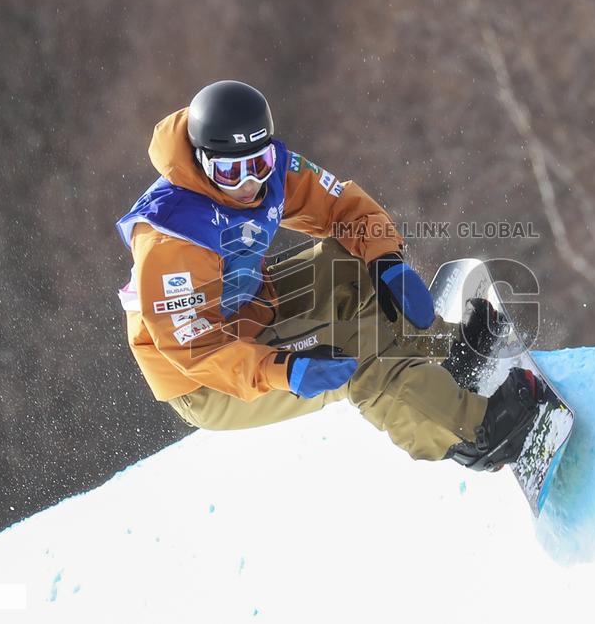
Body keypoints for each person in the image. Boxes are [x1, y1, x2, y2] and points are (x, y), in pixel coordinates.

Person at [116, 80, 541, 471]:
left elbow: (342, 208)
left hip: (250, 307)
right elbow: (198, 352)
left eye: (259, 163)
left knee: (351, 265)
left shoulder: (275, 172)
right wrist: (284, 369)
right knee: (354, 345)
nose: (248, 183)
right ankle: (473, 433)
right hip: (210, 379)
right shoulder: (172, 240)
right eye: (230, 172)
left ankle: (444, 356)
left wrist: (385, 261)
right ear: (201, 163)